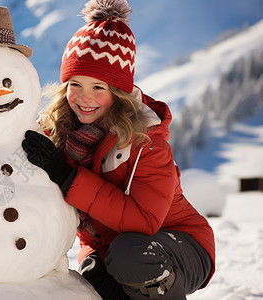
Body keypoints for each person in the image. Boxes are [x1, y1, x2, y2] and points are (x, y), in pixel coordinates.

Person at [21, 0, 215, 299]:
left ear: (119, 92)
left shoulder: (146, 141)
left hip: (179, 244)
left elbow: (145, 221)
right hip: (106, 249)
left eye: (99, 87)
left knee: (131, 255)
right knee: (89, 284)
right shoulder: (56, 131)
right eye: (76, 84)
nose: (85, 98)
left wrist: (68, 177)